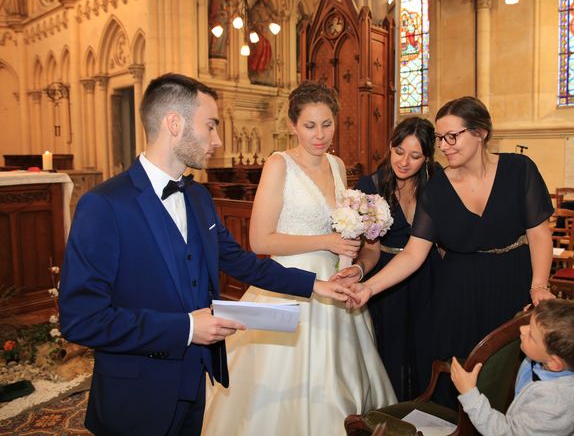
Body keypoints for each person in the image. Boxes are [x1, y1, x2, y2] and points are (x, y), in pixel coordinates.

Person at [58, 73, 355, 436]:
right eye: (211, 125)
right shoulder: (104, 204)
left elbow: (241, 262)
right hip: (136, 394)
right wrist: (186, 327)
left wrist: (316, 286)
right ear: (174, 123)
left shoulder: (198, 197)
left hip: (195, 381)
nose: (217, 140)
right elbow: (81, 319)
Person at [202, 81, 397, 435]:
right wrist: (329, 240)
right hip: (289, 281)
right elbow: (260, 239)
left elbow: (344, 228)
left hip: (335, 282)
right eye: (310, 126)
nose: (320, 135)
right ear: (293, 125)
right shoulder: (279, 165)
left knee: (341, 374)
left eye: (327, 124)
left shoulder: (337, 165)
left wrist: (352, 259)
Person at [346, 96, 555, 405]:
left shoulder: (519, 169)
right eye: (441, 138)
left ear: (480, 132)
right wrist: (368, 287)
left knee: (512, 375)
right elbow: (414, 253)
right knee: (462, 375)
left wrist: (539, 286)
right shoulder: (438, 188)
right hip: (458, 293)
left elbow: (539, 235)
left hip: (513, 281)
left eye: (451, 136)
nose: (444, 145)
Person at [337, 116, 441, 400]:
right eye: (399, 151)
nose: (404, 162)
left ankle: (429, 412)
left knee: (427, 347)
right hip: (386, 278)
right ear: (390, 146)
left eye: (415, 156)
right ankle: (395, 414)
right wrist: (359, 270)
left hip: (428, 273)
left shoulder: (436, 182)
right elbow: (370, 249)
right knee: (391, 350)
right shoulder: (370, 186)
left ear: (427, 157)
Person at [450, 299, 574, 435]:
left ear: (554, 363)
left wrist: (469, 393)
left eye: (531, 335)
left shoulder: (554, 405)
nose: (522, 329)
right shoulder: (557, 361)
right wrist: (530, 318)